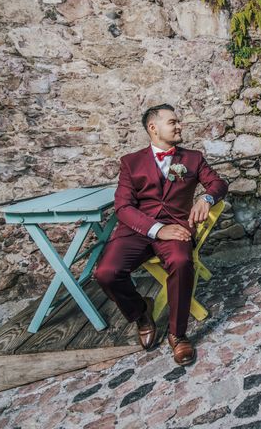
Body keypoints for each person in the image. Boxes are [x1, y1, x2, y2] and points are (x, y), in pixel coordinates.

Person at [95, 103, 228, 365]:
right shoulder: (130, 163)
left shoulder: (193, 158)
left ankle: (177, 335)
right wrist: (157, 229)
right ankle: (141, 313)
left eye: (179, 122)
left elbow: (218, 182)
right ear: (153, 128)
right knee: (105, 273)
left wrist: (207, 199)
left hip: (177, 226)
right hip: (137, 230)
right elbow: (123, 207)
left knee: (181, 261)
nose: (179, 126)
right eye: (173, 122)